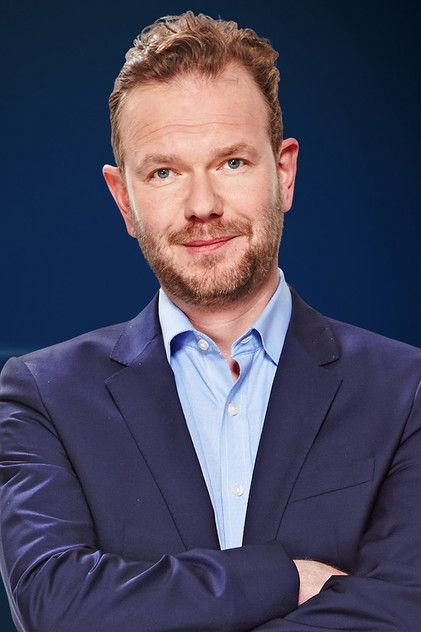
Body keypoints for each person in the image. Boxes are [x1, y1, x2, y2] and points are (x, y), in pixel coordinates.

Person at [0, 10, 420, 632]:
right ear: (124, 199)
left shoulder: (407, 391)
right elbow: (56, 606)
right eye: (164, 172)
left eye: (232, 163)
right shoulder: (42, 396)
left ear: (284, 173)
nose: (202, 205)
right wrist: (282, 577)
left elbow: (404, 607)